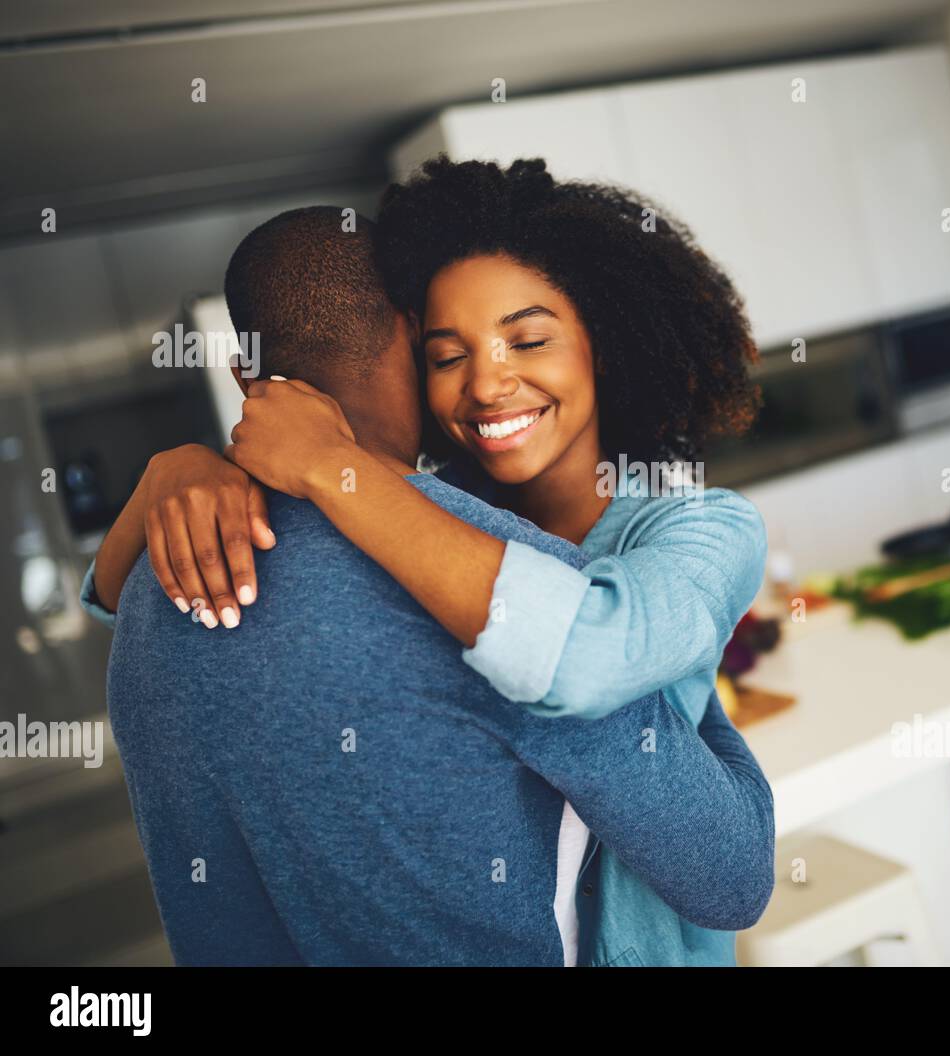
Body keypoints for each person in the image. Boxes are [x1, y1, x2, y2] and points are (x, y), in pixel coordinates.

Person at [89, 158, 770, 966]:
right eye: (449, 355)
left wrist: (314, 467)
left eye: (528, 339)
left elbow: (590, 648)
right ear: (409, 349)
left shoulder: (696, 528)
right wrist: (184, 472)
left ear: (605, 341)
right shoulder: (454, 566)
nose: (489, 383)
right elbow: (732, 868)